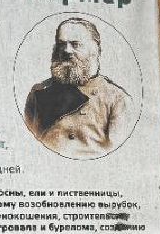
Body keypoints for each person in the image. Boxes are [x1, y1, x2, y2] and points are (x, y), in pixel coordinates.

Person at [24, 17, 133, 158]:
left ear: (94, 50)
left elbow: (119, 155)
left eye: (75, 44)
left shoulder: (117, 99)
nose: (67, 50)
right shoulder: (39, 92)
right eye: (62, 44)